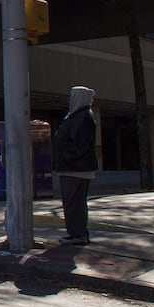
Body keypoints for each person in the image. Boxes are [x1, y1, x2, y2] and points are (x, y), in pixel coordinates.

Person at [52, 86, 98, 246]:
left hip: (75, 169)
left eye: (72, 96)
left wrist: (65, 156)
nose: (69, 99)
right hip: (73, 168)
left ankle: (78, 234)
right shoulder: (77, 116)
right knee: (73, 203)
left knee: (74, 203)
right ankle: (75, 233)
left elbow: (81, 145)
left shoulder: (83, 117)